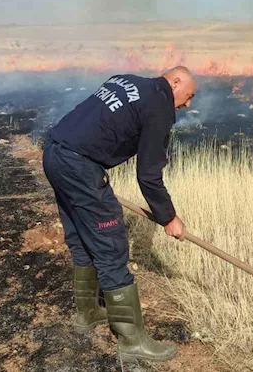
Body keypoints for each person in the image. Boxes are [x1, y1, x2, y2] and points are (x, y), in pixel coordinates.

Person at [42, 66, 196, 362]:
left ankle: (87, 314)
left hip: (55, 152)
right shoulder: (159, 106)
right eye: (189, 96)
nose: (188, 104)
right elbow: (149, 175)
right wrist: (168, 218)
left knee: (81, 236)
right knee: (110, 245)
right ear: (175, 82)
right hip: (80, 165)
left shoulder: (128, 80)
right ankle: (132, 340)